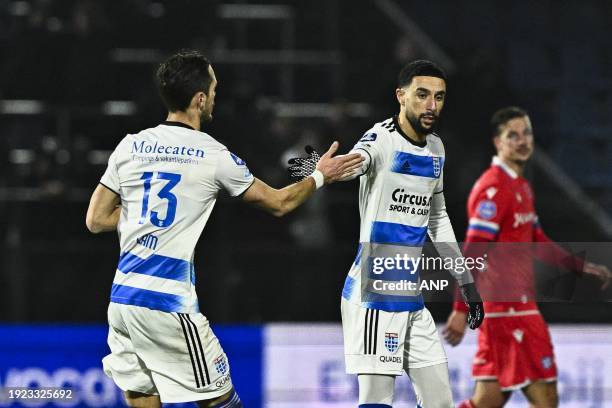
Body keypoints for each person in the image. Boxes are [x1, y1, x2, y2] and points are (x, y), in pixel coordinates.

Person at [85, 50, 363, 408]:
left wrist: (144, 217)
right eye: (213, 89)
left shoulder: (130, 145)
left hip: (122, 300)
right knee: (223, 402)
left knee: (143, 399)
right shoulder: (212, 155)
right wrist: (321, 174)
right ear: (200, 99)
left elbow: (95, 219)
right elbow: (280, 202)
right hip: (167, 302)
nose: (216, 96)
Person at [290, 60, 485, 407]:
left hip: (410, 295)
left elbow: (437, 217)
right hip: (374, 293)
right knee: (377, 401)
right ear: (401, 96)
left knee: (441, 401)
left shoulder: (437, 149)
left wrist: (466, 282)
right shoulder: (381, 139)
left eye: (439, 97)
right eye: (422, 95)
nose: (431, 105)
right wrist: (318, 169)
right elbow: (356, 162)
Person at [444, 106, 612, 408]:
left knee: (491, 401)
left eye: (527, 133)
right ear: (498, 142)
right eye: (513, 135)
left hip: (519, 310)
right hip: (505, 313)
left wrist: (580, 266)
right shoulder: (493, 189)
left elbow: (537, 240)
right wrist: (460, 308)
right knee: (544, 400)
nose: (522, 141)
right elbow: (472, 252)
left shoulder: (521, 186)